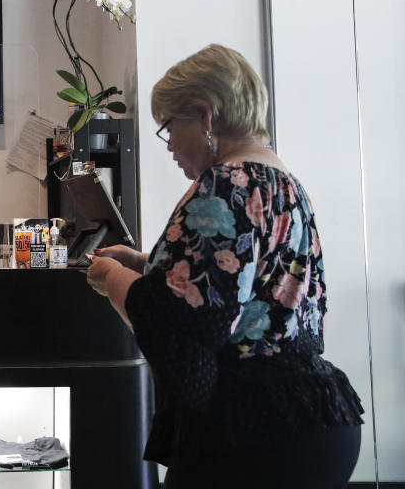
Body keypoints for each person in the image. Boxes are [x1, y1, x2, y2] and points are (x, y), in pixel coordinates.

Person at [85, 44, 364, 489]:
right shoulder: (281, 181)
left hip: (253, 430)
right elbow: (242, 282)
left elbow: (182, 321)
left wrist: (112, 278)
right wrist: (144, 263)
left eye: (170, 127)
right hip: (312, 416)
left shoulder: (226, 182)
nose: (170, 144)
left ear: (205, 116)